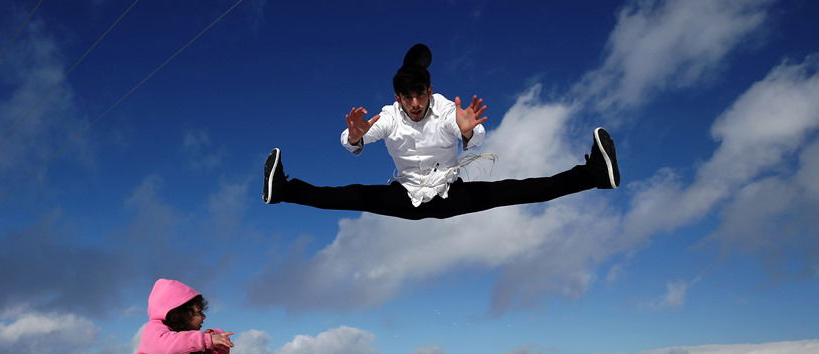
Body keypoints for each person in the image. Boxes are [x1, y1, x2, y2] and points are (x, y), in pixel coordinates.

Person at [262, 43, 620, 220]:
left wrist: (466, 133)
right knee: (348, 195)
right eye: (408, 97)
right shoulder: (389, 116)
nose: (415, 103)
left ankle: (595, 175)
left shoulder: (446, 109)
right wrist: (355, 136)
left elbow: (472, 137)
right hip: (406, 196)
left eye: (421, 94)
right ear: (398, 97)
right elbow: (354, 142)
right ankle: (281, 190)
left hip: (450, 193)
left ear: (429, 91)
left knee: (521, 190)